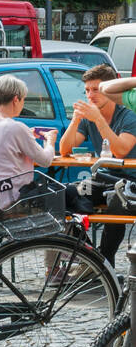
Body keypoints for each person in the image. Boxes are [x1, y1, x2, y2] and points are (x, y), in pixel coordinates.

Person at [60, 66, 136, 265]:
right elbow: (64, 149)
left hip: (131, 182)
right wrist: (76, 120)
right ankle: (91, 256)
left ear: (110, 91)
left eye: (96, 89)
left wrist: (99, 120)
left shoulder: (128, 116)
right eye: (87, 90)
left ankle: (105, 261)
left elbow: (121, 151)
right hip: (103, 179)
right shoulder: (90, 118)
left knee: (117, 204)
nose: (90, 95)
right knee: (65, 194)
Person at [0, 74, 56, 210]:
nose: (23, 104)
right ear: (16, 99)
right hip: (10, 202)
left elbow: (6, 142)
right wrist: (50, 141)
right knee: (64, 197)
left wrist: (27, 135)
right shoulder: (16, 127)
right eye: (24, 99)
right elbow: (45, 161)